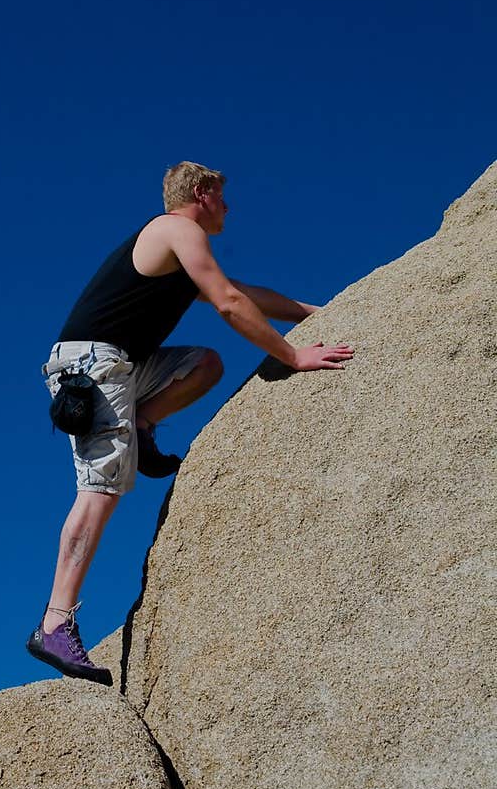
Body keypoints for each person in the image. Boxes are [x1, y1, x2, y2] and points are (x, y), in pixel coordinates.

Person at [26, 160, 354, 686]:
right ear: (201, 192)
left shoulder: (177, 254)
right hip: (93, 365)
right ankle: (55, 622)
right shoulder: (176, 229)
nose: (228, 207)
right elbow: (228, 303)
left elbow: (242, 293)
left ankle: (143, 423)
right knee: (100, 491)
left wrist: (317, 310)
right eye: (222, 197)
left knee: (204, 365)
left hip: (121, 365)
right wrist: (292, 357)